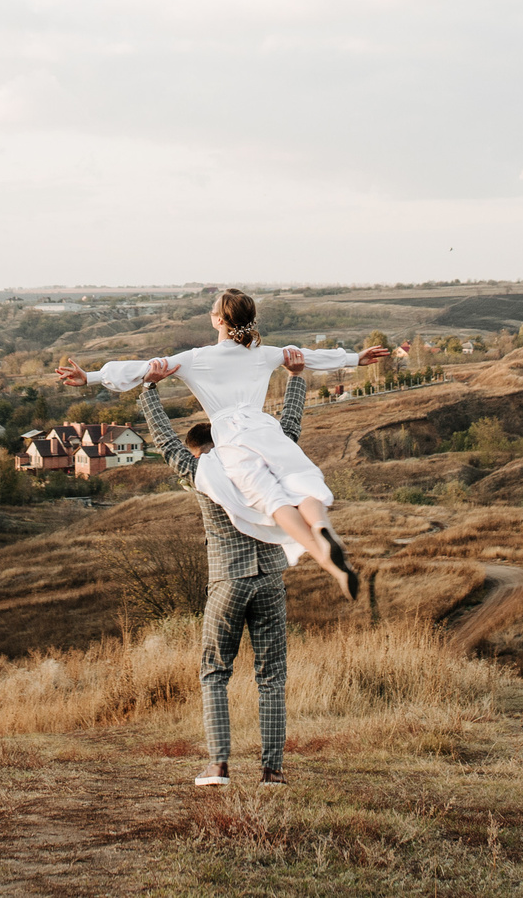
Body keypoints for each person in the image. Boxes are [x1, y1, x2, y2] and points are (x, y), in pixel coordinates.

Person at [57, 287, 392, 600]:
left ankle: (324, 558)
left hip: (231, 438)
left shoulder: (196, 358)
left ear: (219, 320)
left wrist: (92, 377)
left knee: (271, 499)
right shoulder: (265, 355)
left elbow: (141, 369)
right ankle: (322, 527)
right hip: (264, 428)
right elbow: (308, 356)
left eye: (212, 310)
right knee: (300, 482)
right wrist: (354, 358)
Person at [129, 347, 311, 787]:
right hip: (270, 576)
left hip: (227, 580)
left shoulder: (200, 473)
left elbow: (164, 441)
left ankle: (219, 765)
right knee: (272, 676)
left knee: (214, 672)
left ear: (200, 449)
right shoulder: (262, 464)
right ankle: (272, 771)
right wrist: (297, 377)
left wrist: (148, 388)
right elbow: (289, 428)